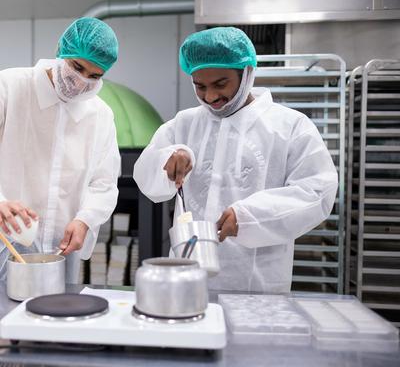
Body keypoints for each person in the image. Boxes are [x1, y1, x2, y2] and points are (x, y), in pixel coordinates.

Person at [134, 27, 338, 293]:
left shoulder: (289, 126)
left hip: (258, 286)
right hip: (189, 281)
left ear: (247, 75)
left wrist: (249, 216)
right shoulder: (184, 125)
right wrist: (168, 160)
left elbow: (317, 192)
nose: (210, 97)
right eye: (200, 86)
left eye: (220, 84)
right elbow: (146, 178)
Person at [0, 17, 120, 283]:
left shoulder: (100, 115)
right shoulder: (10, 86)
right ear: (61, 52)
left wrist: (85, 219)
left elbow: (104, 183)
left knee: (52, 315)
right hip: (3, 239)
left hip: (60, 252)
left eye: (94, 76)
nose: (81, 82)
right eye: (77, 67)